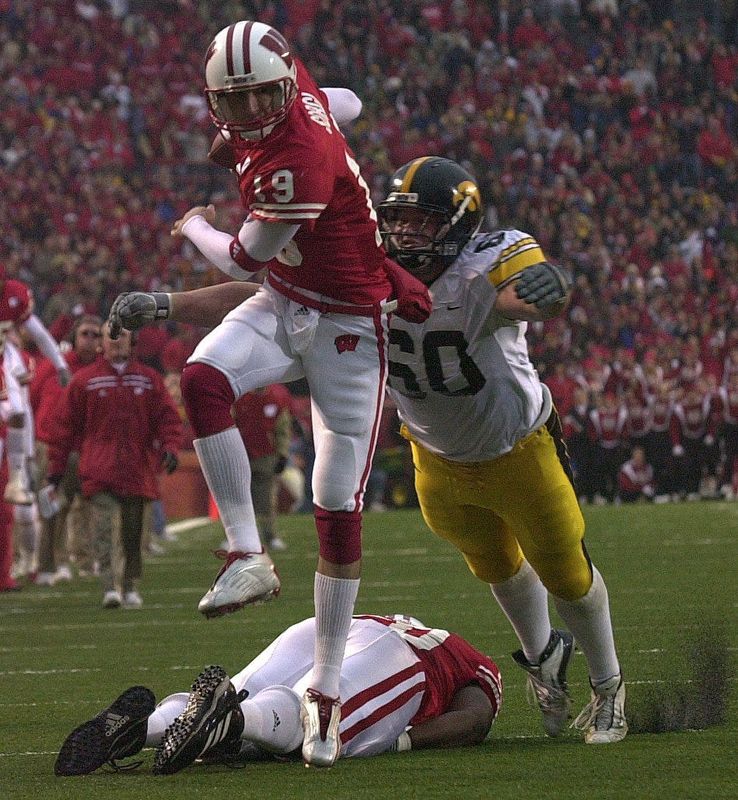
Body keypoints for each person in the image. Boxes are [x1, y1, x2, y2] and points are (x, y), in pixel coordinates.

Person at [108, 156, 627, 745]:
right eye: (398, 221)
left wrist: (550, 293)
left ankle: (609, 687)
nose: (404, 235)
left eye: (422, 224)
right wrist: (167, 304)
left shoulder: (485, 265)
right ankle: (544, 658)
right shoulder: (365, 265)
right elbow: (263, 298)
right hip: (435, 457)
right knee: (497, 567)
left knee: (565, 573)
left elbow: (524, 296)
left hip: (517, 449)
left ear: (459, 227)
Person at [109, 19, 430, 768]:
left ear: (283, 86)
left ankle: (324, 687)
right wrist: (316, 114)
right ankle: (246, 552)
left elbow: (244, 255)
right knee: (202, 377)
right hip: (291, 300)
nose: (252, 109)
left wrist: (192, 224)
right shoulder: (301, 99)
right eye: (238, 96)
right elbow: (342, 100)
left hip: (348, 323)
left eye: (262, 95)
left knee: (334, 506)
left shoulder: (294, 162)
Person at [54, 613, 502, 776]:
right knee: (321, 720)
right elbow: (476, 717)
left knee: (250, 693)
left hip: (326, 626)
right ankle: (232, 722)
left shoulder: (404, 621)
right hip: (400, 657)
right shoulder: (467, 659)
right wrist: (403, 740)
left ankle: (145, 726)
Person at [46, 324, 182, 609]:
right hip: (99, 467)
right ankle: (110, 586)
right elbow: (64, 427)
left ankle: (130, 584)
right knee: (103, 529)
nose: (117, 341)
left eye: (122, 335)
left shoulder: (149, 380)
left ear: (132, 342)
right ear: (102, 344)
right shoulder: (85, 381)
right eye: (112, 335)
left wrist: (170, 447)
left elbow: (167, 418)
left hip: (137, 468)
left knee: (133, 533)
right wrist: (56, 469)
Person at [31, 314, 103, 585]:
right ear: (74, 337)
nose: (90, 339)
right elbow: (33, 398)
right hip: (48, 445)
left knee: (86, 505)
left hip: (84, 446)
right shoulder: (53, 366)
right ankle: (48, 565)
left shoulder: (100, 371)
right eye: (85, 333)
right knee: (49, 505)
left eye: (96, 335)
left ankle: (83, 559)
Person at [0, 269, 71, 506]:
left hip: (2, 361)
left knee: (18, 413)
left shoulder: (15, 296)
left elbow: (39, 334)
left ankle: (17, 480)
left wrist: (60, 364)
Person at [231, 385, 294, 551]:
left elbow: (282, 429)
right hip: (241, 455)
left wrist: (282, 454)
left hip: (266, 456)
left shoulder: (277, 398)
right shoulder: (239, 399)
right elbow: (230, 425)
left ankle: (270, 536)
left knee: (267, 499)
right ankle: (237, 538)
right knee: (239, 499)